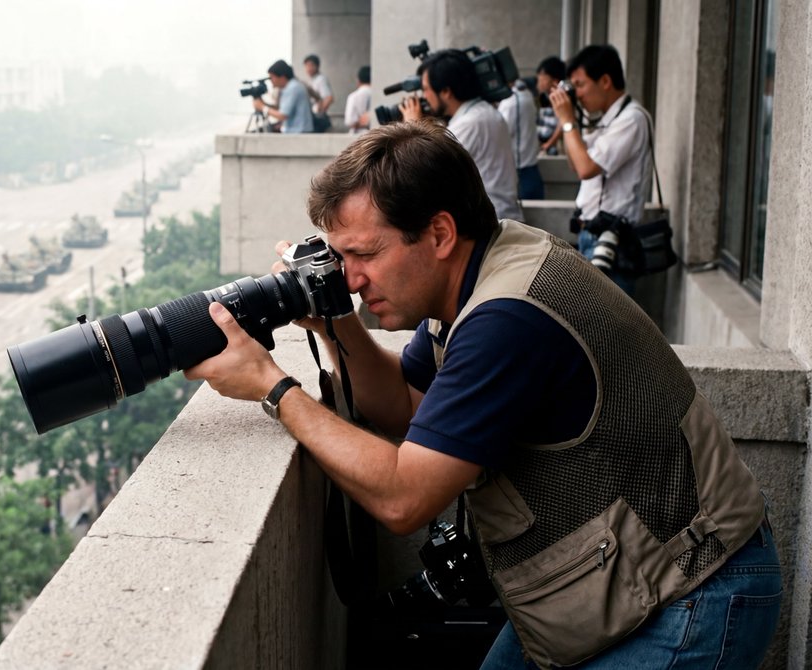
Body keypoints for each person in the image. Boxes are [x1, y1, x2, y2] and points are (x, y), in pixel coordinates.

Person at [185, 120, 779, 669]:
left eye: (364, 254)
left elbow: (403, 499)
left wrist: (272, 384)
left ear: (440, 232)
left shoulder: (507, 318)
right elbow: (402, 401)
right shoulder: (479, 271)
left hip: (692, 594)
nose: (352, 278)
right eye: (339, 260)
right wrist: (337, 321)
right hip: (605, 584)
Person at [549, 44, 652, 293]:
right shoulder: (608, 120)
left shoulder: (631, 120)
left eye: (580, 85)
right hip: (592, 235)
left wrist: (568, 121)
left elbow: (586, 168)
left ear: (605, 81)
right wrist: (569, 123)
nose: (578, 94)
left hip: (612, 243)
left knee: (604, 328)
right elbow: (576, 164)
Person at [399, 48, 522, 221]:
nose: (423, 97)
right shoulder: (481, 112)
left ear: (446, 91)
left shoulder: (470, 124)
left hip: (490, 225)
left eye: (426, 89)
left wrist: (411, 127)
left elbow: (422, 173)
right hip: (498, 218)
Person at [498, 76, 544, 199]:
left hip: (520, 171)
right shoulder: (527, 95)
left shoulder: (510, 103)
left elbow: (501, 134)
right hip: (531, 168)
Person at [253, 59, 314, 134]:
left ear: (282, 76)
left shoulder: (293, 88)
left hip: (299, 133)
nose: (271, 81)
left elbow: (283, 115)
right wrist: (263, 104)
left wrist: (263, 107)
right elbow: (282, 109)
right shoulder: (289, 87)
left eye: (272, 77)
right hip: (297, 132)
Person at [535, 56, 566, 155]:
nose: (539, 83)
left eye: (543, 78)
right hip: (543, 143)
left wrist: (549, 143)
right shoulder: (543, 96)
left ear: (555, 81)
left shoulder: (562, 98)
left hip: (555, 148)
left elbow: (562, 123)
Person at [304, 54, 334, 132]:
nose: (309, 68)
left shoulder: (321, 79)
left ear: (317, 66)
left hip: (317, 117)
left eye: (311, 65)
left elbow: (329, 98)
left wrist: (320, 112)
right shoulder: (311, 80)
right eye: (307, 66)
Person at [344, 65, 372, 134]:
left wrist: (360, 122)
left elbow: (349, 121)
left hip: (358, 135)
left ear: (358, 80)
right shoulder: (378, 95)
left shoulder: (353, 96)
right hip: (374, 133)